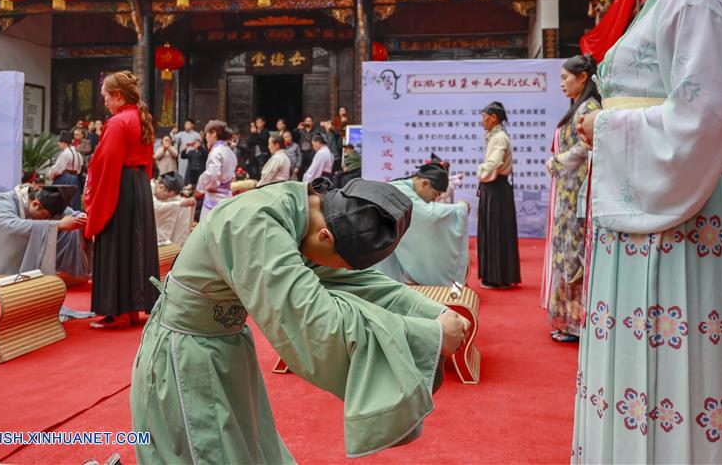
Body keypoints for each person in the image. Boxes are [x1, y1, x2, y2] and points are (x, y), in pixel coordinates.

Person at [572, 0, 722, 462]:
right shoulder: (653, 7)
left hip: (680, 213)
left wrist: (605, 127)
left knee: (676, 360)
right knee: (634, 360)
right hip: (638, 210)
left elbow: (710, 112)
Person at [130, 179, 470, 463]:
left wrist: (431, 312)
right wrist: (429, 335)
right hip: (187, 359)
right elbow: (318, 325)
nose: (341, 272)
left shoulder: (303, 208)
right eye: (343, 263)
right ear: (326, 238)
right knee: (211, 452)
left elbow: (358, 284)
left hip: (223, 349)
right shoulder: (256, 226)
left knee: (244, 449)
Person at [0, 185, 89, 328]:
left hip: (1, 261)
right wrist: (57, 225)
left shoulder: (36, 204)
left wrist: (79, 217)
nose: (44, 221)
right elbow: (9, 228)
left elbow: (66, 215)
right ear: (35, 204)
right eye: (45, 217)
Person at [84, 70, 159, 330]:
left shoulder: (117, 123)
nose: (104, 100)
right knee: (136, 245)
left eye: (105, 95)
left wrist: (95, 201)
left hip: (119, 185)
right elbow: (147, 162)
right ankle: (131, 310)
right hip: (138, 186)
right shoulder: (140, 118)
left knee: (116, 243)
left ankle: (115, 311)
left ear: (117, 95)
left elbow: (106, 163)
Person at [543, 55, 601, 342]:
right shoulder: (579, 107)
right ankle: (567, 319)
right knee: (567, 251)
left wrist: (556, 162)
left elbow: (583, 149)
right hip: (568, 193)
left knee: (576, 254)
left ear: (582, 78)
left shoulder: (590, 109)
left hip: (579, 193)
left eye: (566, 77)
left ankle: (577, 321)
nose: (562, 83)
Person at [374, 159, 470, 285]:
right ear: (424, 183)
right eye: (435, 194)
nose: (434, 199)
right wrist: (461, 208)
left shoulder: (401, 186)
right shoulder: (402, 191)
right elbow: (428, 214)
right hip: (378, 249)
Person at [476, 101, 521, 289]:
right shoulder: (495, 136)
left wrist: (480, 171)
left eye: (484, 117)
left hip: (496, 189)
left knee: (496, 232)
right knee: (493, 231)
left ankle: (498, 277)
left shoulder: (500, 137)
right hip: (495, 189)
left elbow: (494, 163)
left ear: (494, 117)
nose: (482, 121)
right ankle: (494, 276)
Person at [196, 120, 237, 214]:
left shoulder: (216, 152)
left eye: (207, 134)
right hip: (227, 196)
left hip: (215, 198)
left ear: (213, 133)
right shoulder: (229, 151)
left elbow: (212, 175)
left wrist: (200, 187)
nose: (206, 136)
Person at [151, 172, 195, 247]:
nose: (167, 198)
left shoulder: (160, 188)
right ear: (161, 187)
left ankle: (179, 244)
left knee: (185, 207)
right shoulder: (147, 188)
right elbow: (155, 207)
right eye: (167, 196)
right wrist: (180, 203)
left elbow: (179, 198)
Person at [48, 130, 84, 211]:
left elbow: (57, 169)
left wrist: (51, 175)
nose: (59, 144)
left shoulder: (65, 154)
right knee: (74, 202)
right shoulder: (78, 153)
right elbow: (80, 166)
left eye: (60, 142)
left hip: (64, 179)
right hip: (75, 178)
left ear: (64, 143)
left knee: (62, 202)